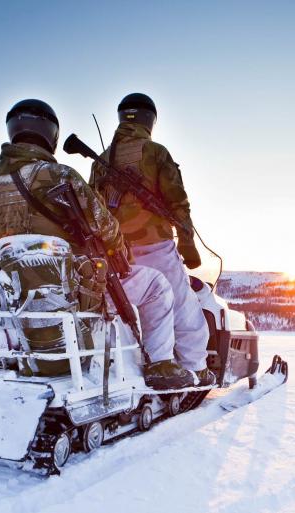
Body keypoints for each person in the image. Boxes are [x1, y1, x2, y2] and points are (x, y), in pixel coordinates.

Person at [0, 98, 194, 390]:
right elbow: (105, 225)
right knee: (157, 286)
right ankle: (160, 364)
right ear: (50, 134)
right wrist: (119, 254)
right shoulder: (60, 176)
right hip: (78, 292)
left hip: (22, 296)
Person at [89, 93, 214, 386]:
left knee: (124, 307)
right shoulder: (156, 153)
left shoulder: (101, 161)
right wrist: (188, 245)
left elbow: (92, 208)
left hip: (113, 252)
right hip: (155, 246)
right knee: (184, 308)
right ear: (150, 120)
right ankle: (196, 367)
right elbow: (178, 204)